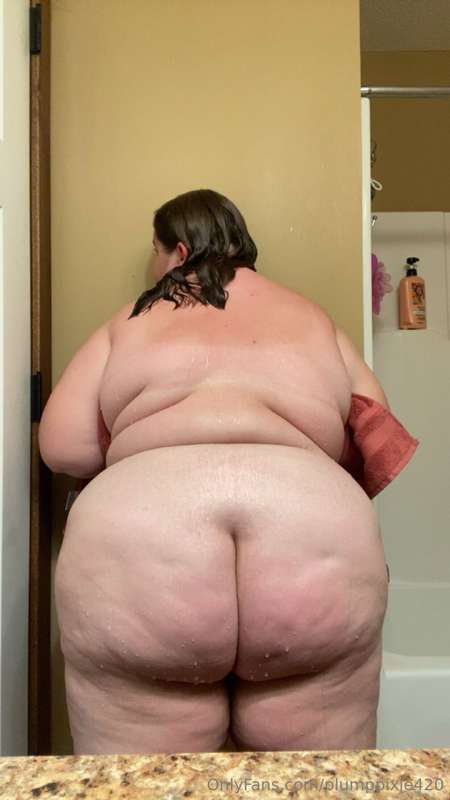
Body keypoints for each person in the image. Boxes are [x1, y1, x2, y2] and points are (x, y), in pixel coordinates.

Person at [39, 189, 416, 755]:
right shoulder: (313, 318)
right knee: (318, 783)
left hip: (142, 544)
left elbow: (64, 448)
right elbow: (376, 430)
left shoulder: (128, 321)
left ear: (178, 251)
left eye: (155, 251)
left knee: (146, 787)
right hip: (311, 536)